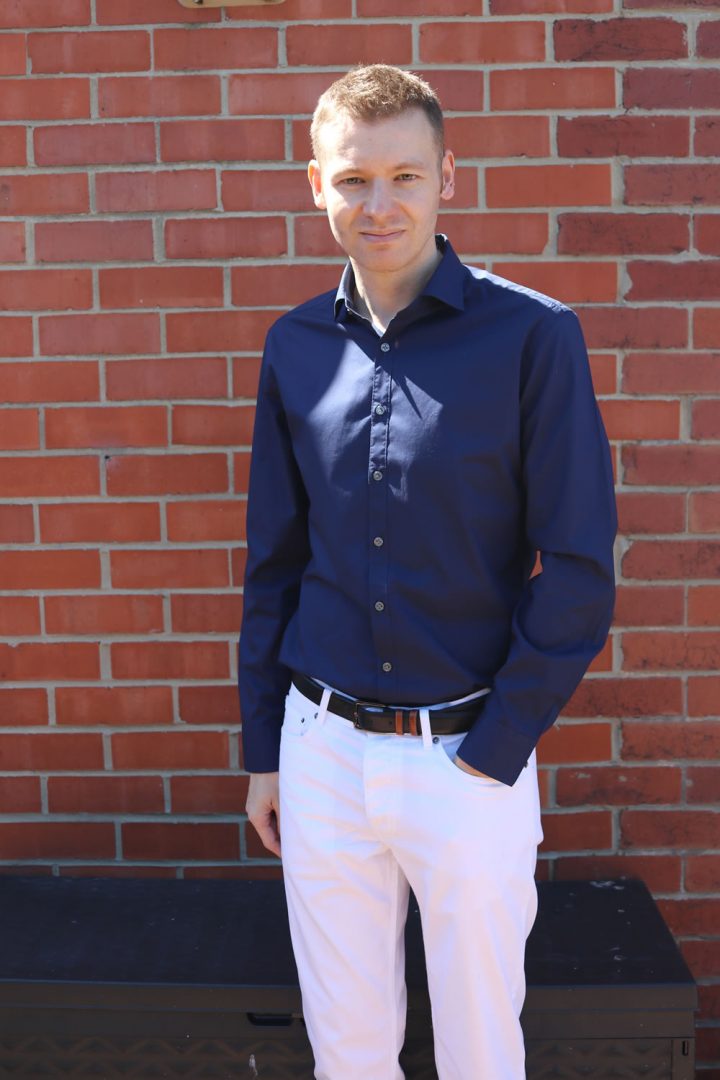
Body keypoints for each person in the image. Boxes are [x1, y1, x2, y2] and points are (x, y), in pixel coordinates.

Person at [238, 64, 616, 1080]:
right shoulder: (295, 347)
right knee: (349, 1050)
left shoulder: (534, 338)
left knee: (481, 1050)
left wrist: (496, 752)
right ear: (315, 183)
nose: (380, 203)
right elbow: (273, 564)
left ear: (449, 175)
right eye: (354, 179)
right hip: (320, 755)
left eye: (405, 175)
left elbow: (578, 567)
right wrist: (268, 749)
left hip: (469, 752)